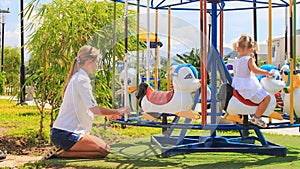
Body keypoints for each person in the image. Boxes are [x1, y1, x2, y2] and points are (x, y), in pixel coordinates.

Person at [43, 45, 130, 159]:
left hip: (64, 133)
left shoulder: (78, 77)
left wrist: (110, 113)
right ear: (89, 62)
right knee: (103, 150)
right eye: (97, 62)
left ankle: (61, 151)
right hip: (66, 133)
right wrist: (117, 111)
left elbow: (88, 109)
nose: (97, 65)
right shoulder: (81, 80)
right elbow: (94, 109)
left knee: (106, 148)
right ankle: (59, 154)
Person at [231, 34, 272, 128]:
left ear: (238, 48)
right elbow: (255, 70)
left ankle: (250, 115)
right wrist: (267, 72)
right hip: (248, 87)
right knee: (267, 98)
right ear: (251, 49)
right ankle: (257, 117)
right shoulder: (249, 59)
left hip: (238, 87)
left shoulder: (236, 60)